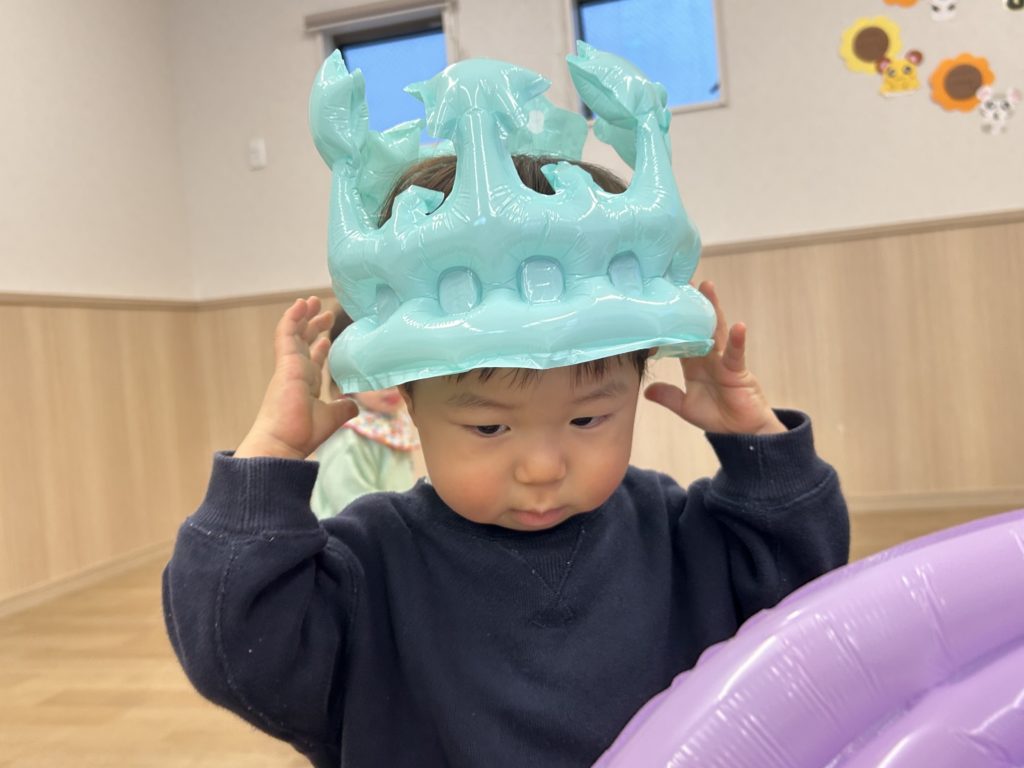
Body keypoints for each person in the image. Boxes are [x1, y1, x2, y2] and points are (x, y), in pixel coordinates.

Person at [164, 49, 848, 768]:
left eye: (588, 419)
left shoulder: (677, 537)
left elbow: (802, 593)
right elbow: (232, 646)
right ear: (409, 399)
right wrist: (271, 454)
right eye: (489, 426)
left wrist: (757, 447)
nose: (543, 467)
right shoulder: (371, 569)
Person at [309, 307, 419, 519]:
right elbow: (352, 508)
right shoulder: (348, 436)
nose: (390, 385)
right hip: (351, 533)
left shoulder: (393, 424)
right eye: (374, 373)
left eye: (399, 369)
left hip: (387, 526)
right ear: (345, 373)